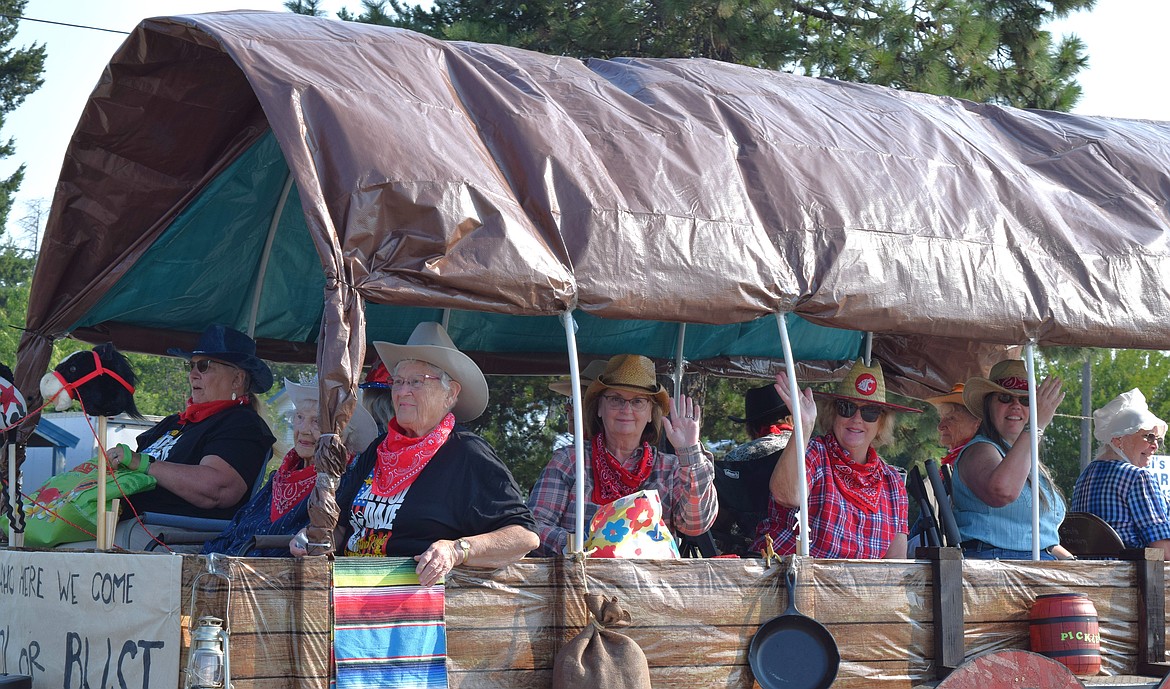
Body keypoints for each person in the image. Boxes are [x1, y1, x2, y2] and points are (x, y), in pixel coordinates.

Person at [291, 322, 538, 586]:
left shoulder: (468, 453)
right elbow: (340, 527)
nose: (402, 391)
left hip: (416, 607)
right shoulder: (379, 448)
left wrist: (456, 550)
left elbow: (524, 536)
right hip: (348, 593)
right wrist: (311, 538)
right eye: (398, 381)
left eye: (416, 382)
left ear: (451, 393)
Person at [527, 353, 717, 556]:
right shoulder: (570, 460)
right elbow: (535, 526)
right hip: (581, 581)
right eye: (616, 399)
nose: (626, 409)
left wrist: (690, 452)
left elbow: (696, 524)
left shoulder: (670, 468)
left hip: (650, 584)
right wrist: (584, 545)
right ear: (599, 408)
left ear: (650, 414)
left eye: (637, 401)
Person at [111, 324, 276, 524]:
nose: (193, 374)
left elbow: (217, 489)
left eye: (204, 366)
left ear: (237, 379)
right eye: (191, 366)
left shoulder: (243, 423)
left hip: (172, 534)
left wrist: (143, 464)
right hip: (126, 521)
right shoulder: (175, 422)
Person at [752, 359, 917, 559]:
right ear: (833, 413)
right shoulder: (814, 452)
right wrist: (804, 426)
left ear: (881, 423)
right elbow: (787, 496)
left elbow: (896, 564)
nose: (857, 418)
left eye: (870, 412)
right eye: (846, 407)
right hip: (794, 582)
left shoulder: (892, 481)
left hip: (861, 588)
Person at [203, 376, 378, 556]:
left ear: (342, 434)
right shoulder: (279, 477)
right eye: (299, 417)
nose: (303, 429)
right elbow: (236, 529)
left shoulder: (344, 483)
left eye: (317, 421)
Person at [952, 359, 1072, 560]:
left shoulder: (1030, 460)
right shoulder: (979, 449)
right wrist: (1036, 427)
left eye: (1025, 400)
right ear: (988, 404)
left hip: (1039, 565)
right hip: (995, 566)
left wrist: (1075, 565)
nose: (1016, 405)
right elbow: (1002, 492)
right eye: (1005, 398)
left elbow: (1046, 539)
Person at [1071, 389, 1170, 556]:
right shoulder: (1138, 477)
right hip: (1129, 576)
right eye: (1149, 437)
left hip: (1089, 573)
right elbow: (1163, 550)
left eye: (1157, 440)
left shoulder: (1085, 476)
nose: (1155, 446)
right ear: (1118, 440)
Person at [712, 384, 792, 554]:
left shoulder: (736, 458)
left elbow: (721, 519)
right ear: (791, 419)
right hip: (803, 545)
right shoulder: (810, 451)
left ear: (751, 427)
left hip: (748, 552)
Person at [927, 383, 981, 467]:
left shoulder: (977, 459)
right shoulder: (962, 457)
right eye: (941, 418)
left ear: (978, 424)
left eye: (951, 418)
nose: (940, 427)